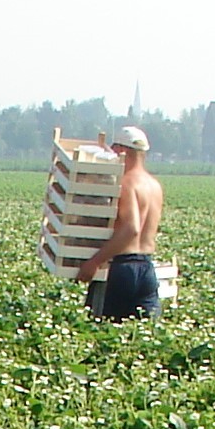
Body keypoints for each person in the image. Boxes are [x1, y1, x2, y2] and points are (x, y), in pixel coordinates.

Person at [72, 125, 164, 320]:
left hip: (120, 269)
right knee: (144, 333)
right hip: (147, 268)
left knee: (104, 329)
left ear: (122, 151)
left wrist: (94, 261)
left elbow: (131, 228)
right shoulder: (154, 185)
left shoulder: (124, 183)